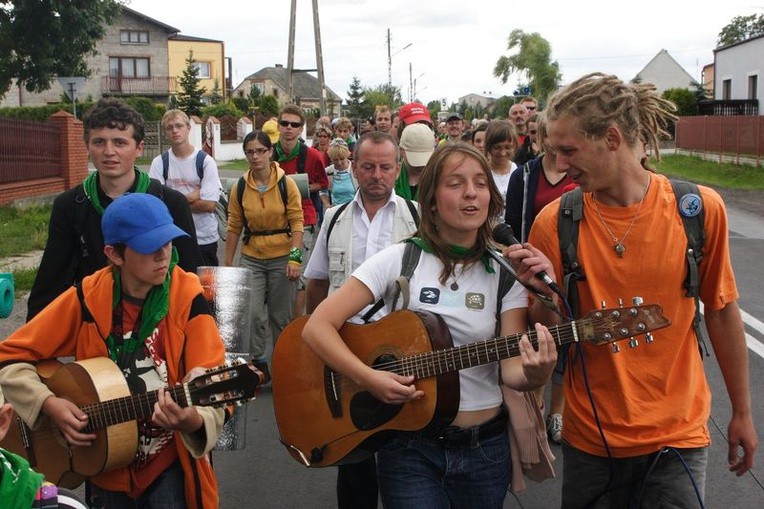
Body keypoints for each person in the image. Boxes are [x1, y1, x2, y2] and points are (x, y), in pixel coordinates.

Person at [507, 72, 758, 507]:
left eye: (569, 150)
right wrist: (544, 292)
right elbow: (546, 330)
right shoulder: (555, 220)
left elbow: (720, 310)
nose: (561, 165)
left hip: (678, 436)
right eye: (555, 152)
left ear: (611, 138)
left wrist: (742, 411)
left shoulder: (696, 211)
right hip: (590, 442)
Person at [302, 142, 557, 508]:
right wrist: (368, 377)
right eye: (455, 183)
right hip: (409, 449)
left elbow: (512, 370)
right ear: (432, 199)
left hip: (484, 451)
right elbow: (317, 326)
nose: (471, 193)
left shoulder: (505, 274)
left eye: (481, 184)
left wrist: (537, 374)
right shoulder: (400, 258)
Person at [0, 193, 227, 508]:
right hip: (104, 468)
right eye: (150, 247)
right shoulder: (86, 298)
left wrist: (191, 419)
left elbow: (213, 375)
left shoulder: (188, 297)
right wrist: (49, 404)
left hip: (168, 469)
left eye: (169, 242)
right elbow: (9, 355)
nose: (164, 256)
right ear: (114, 254)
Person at [304, 131, 420, 509]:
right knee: (353, 459)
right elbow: (317, 282)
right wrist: (308, 349)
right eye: (368, 166)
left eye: (386, 167)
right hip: (346, 352)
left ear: (398, 169)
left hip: (399, 352)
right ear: (353, 168)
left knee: (403, 450)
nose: (377, 175)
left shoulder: (418, 218)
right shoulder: (334, 218)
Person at [26, 98, 202, 322]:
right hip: (95, 329)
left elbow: (190, 277)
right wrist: (31, 345)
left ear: (139, 148)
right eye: (99, 142)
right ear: (87, 147)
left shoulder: (170, 202)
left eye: (119, 143)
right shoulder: (70, 205)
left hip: (159, 328)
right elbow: (51, 282)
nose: (109, 152)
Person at [505, 113, 574, 445]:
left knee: (568, 340)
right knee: (537, 337)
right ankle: (535, 404)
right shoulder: (526, 173)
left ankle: (557, 412)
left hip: (573, 268)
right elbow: (511, 223)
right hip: (534, 268)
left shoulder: (577, 171)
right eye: (545, 136)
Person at [225, 129, 304, 382]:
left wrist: (295, 259)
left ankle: (282, 362)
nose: (255, 157)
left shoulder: (286, 183)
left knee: (279, 316)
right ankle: (260, 363)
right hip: (252, 255)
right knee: (253, 314)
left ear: (270, 152)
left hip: (282, 255)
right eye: (250, 152)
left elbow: (297, 222)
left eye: (261, 151)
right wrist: (228, 264)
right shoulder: (239, 186)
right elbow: (234, 224)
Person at [274, 104, 329, 315]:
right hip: (273, 221)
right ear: (279, 125)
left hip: (303, 222)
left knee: (297, 272)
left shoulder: (312, 156)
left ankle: (296, 326)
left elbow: (322, 183)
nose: (289, 128)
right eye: (284, 123)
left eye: (294, 124)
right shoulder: (268, 153)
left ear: (301, 129)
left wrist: (298, 187)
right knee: (279, 273)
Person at [149, 109, 223, 266]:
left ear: (188, 128)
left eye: (179, 125)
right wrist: (190, 197)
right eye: (170, 127)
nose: (175, 130)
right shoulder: (159, 163)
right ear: (165, 133)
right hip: (173, 239)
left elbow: (209, 205)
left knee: (205, 288)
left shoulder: (205, 162)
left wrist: (174, 202)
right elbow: (157, 206)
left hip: (204, 238)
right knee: (177, 289)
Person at [484, 119, 519, 221]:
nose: (502, 153)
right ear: (489, 147)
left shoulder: (520, 173)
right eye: (497, 148)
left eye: (508, 147)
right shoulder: (482, 172)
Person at [394, 122, 436, 201]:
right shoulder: (391, 178)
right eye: (415, 155)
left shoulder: (438, 179)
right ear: (401, 151)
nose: (420, 165)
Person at [323, 138, 356, 208]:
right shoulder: (328, 172)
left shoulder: (355, 169)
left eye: (342, 159)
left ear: (347, 155)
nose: (339, 163)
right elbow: (322, 191)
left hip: (354, 209)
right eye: (335, 160)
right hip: (336, 209)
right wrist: (327, 204)